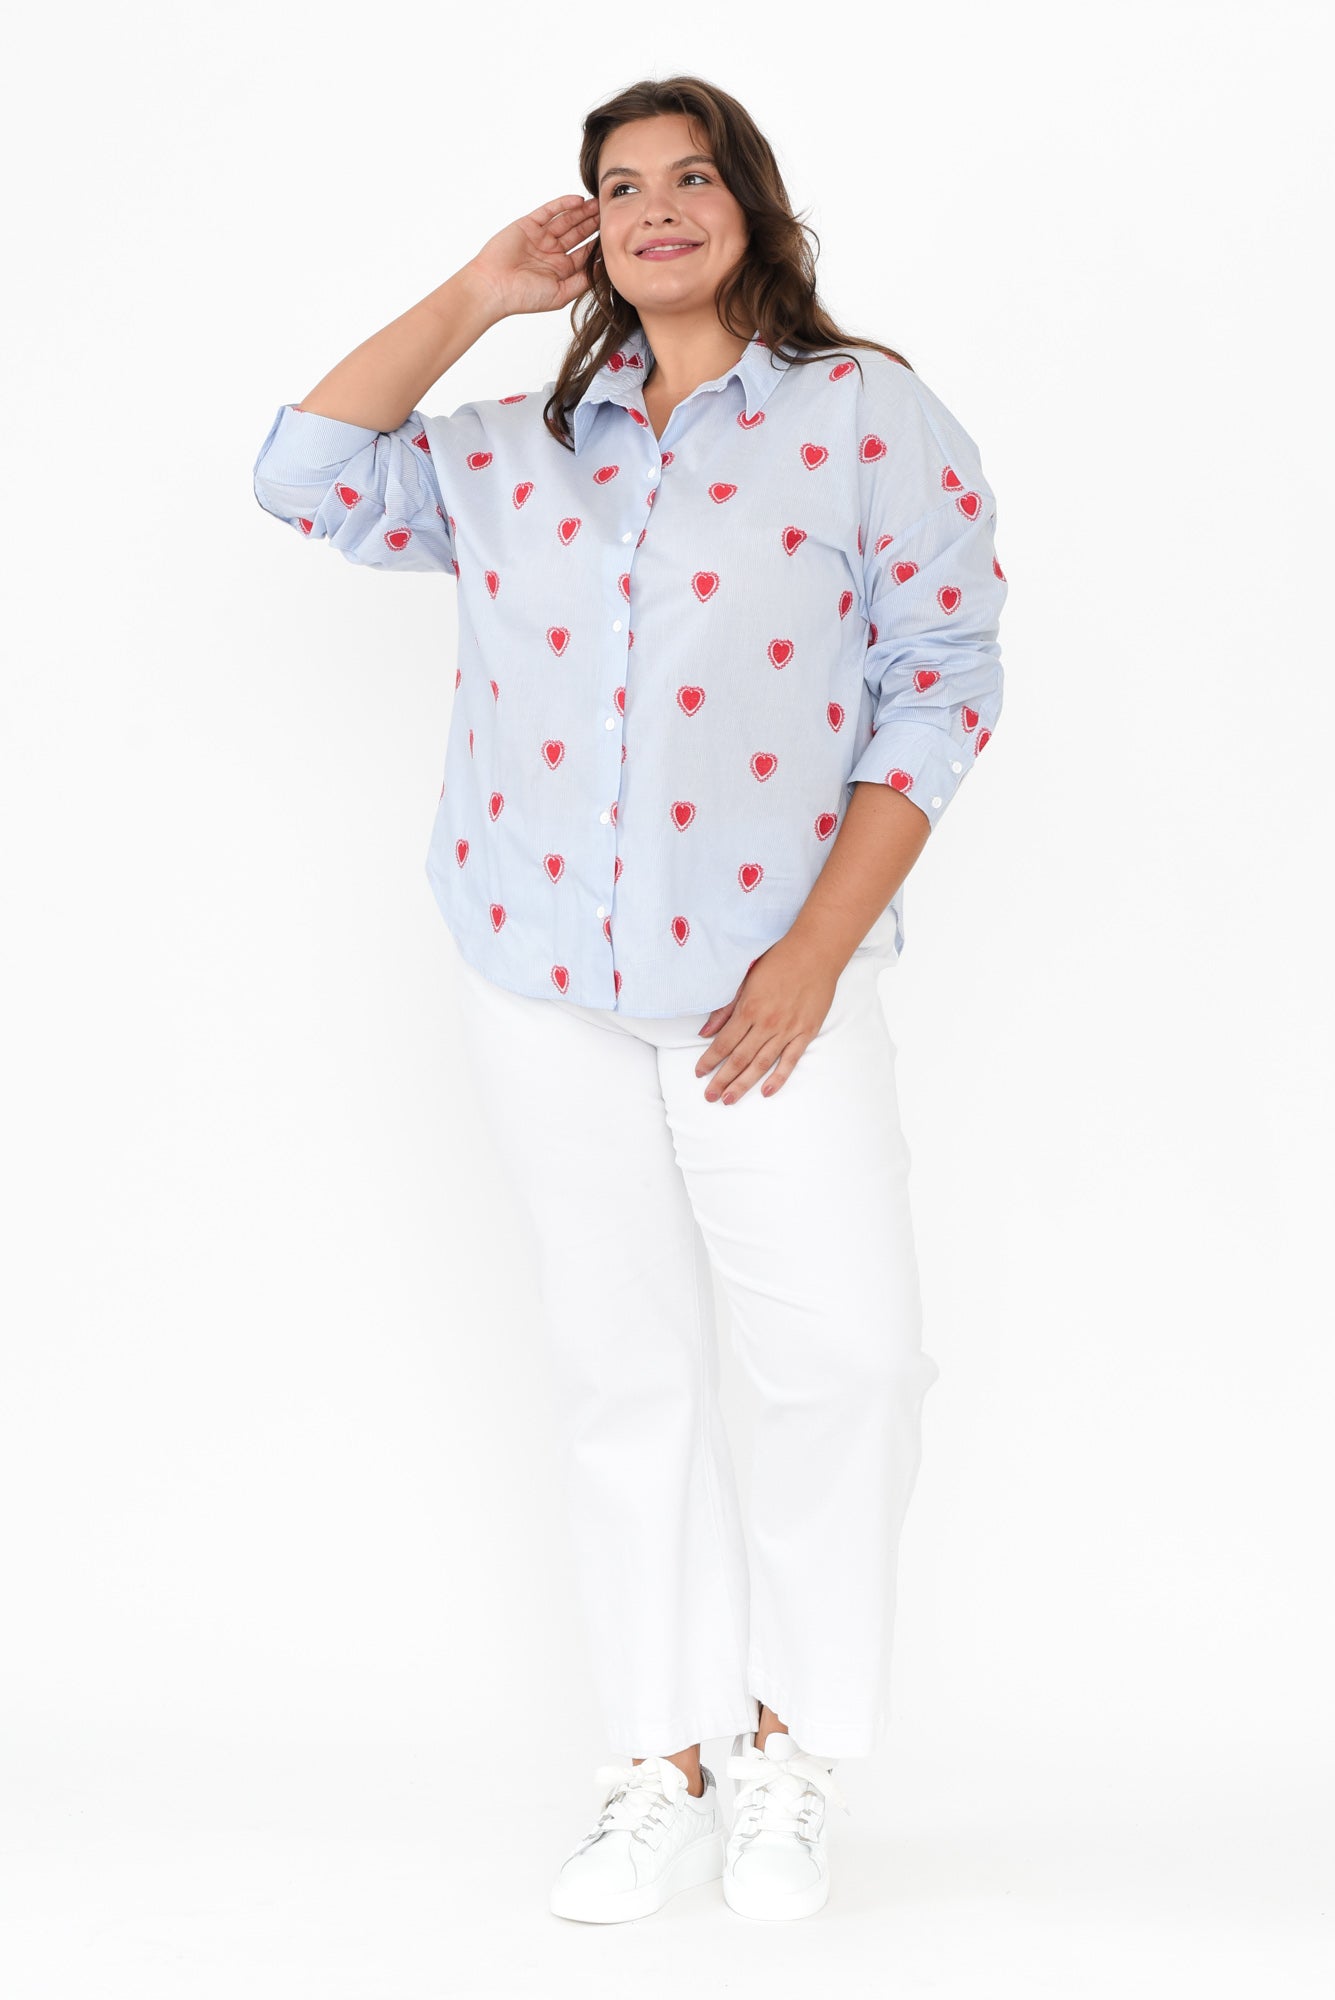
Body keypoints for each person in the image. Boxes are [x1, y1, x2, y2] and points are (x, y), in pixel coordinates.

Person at [252, 74, 1008, 1927]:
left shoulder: (865, 415)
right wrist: (478, 293)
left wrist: (814, 951)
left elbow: (943, 681)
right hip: (541, 977)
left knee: (849, 1360)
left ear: (755, 207)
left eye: (691, 176)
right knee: (626, 1372)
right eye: (619, 186)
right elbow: (303, 472)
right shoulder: (520, 443)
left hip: (767, 992)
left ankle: (785, 1753)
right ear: (588, 227)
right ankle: (654, 1762)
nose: (657, 206)